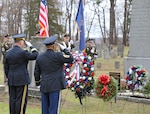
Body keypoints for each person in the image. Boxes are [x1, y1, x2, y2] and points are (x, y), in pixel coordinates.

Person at [34, 35, 74, 114]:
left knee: (44, 109)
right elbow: (71, 58)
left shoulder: (40, 57)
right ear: (53, 46)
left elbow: (36, 72)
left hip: (44, 85)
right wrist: (65, 49)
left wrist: (38, 83)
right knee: (53, 109)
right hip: (55, 86)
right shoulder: (58, 56)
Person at [4, 34, 39, 114]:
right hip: (22, 80)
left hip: (12, 79)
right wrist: (32, 47)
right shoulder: (23, 53)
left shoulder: (8, 53)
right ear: (20, 42)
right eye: (23, 42)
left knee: (12, 99)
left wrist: (9, 76)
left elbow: (6, 68)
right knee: (21, 100)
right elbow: (36, 55)